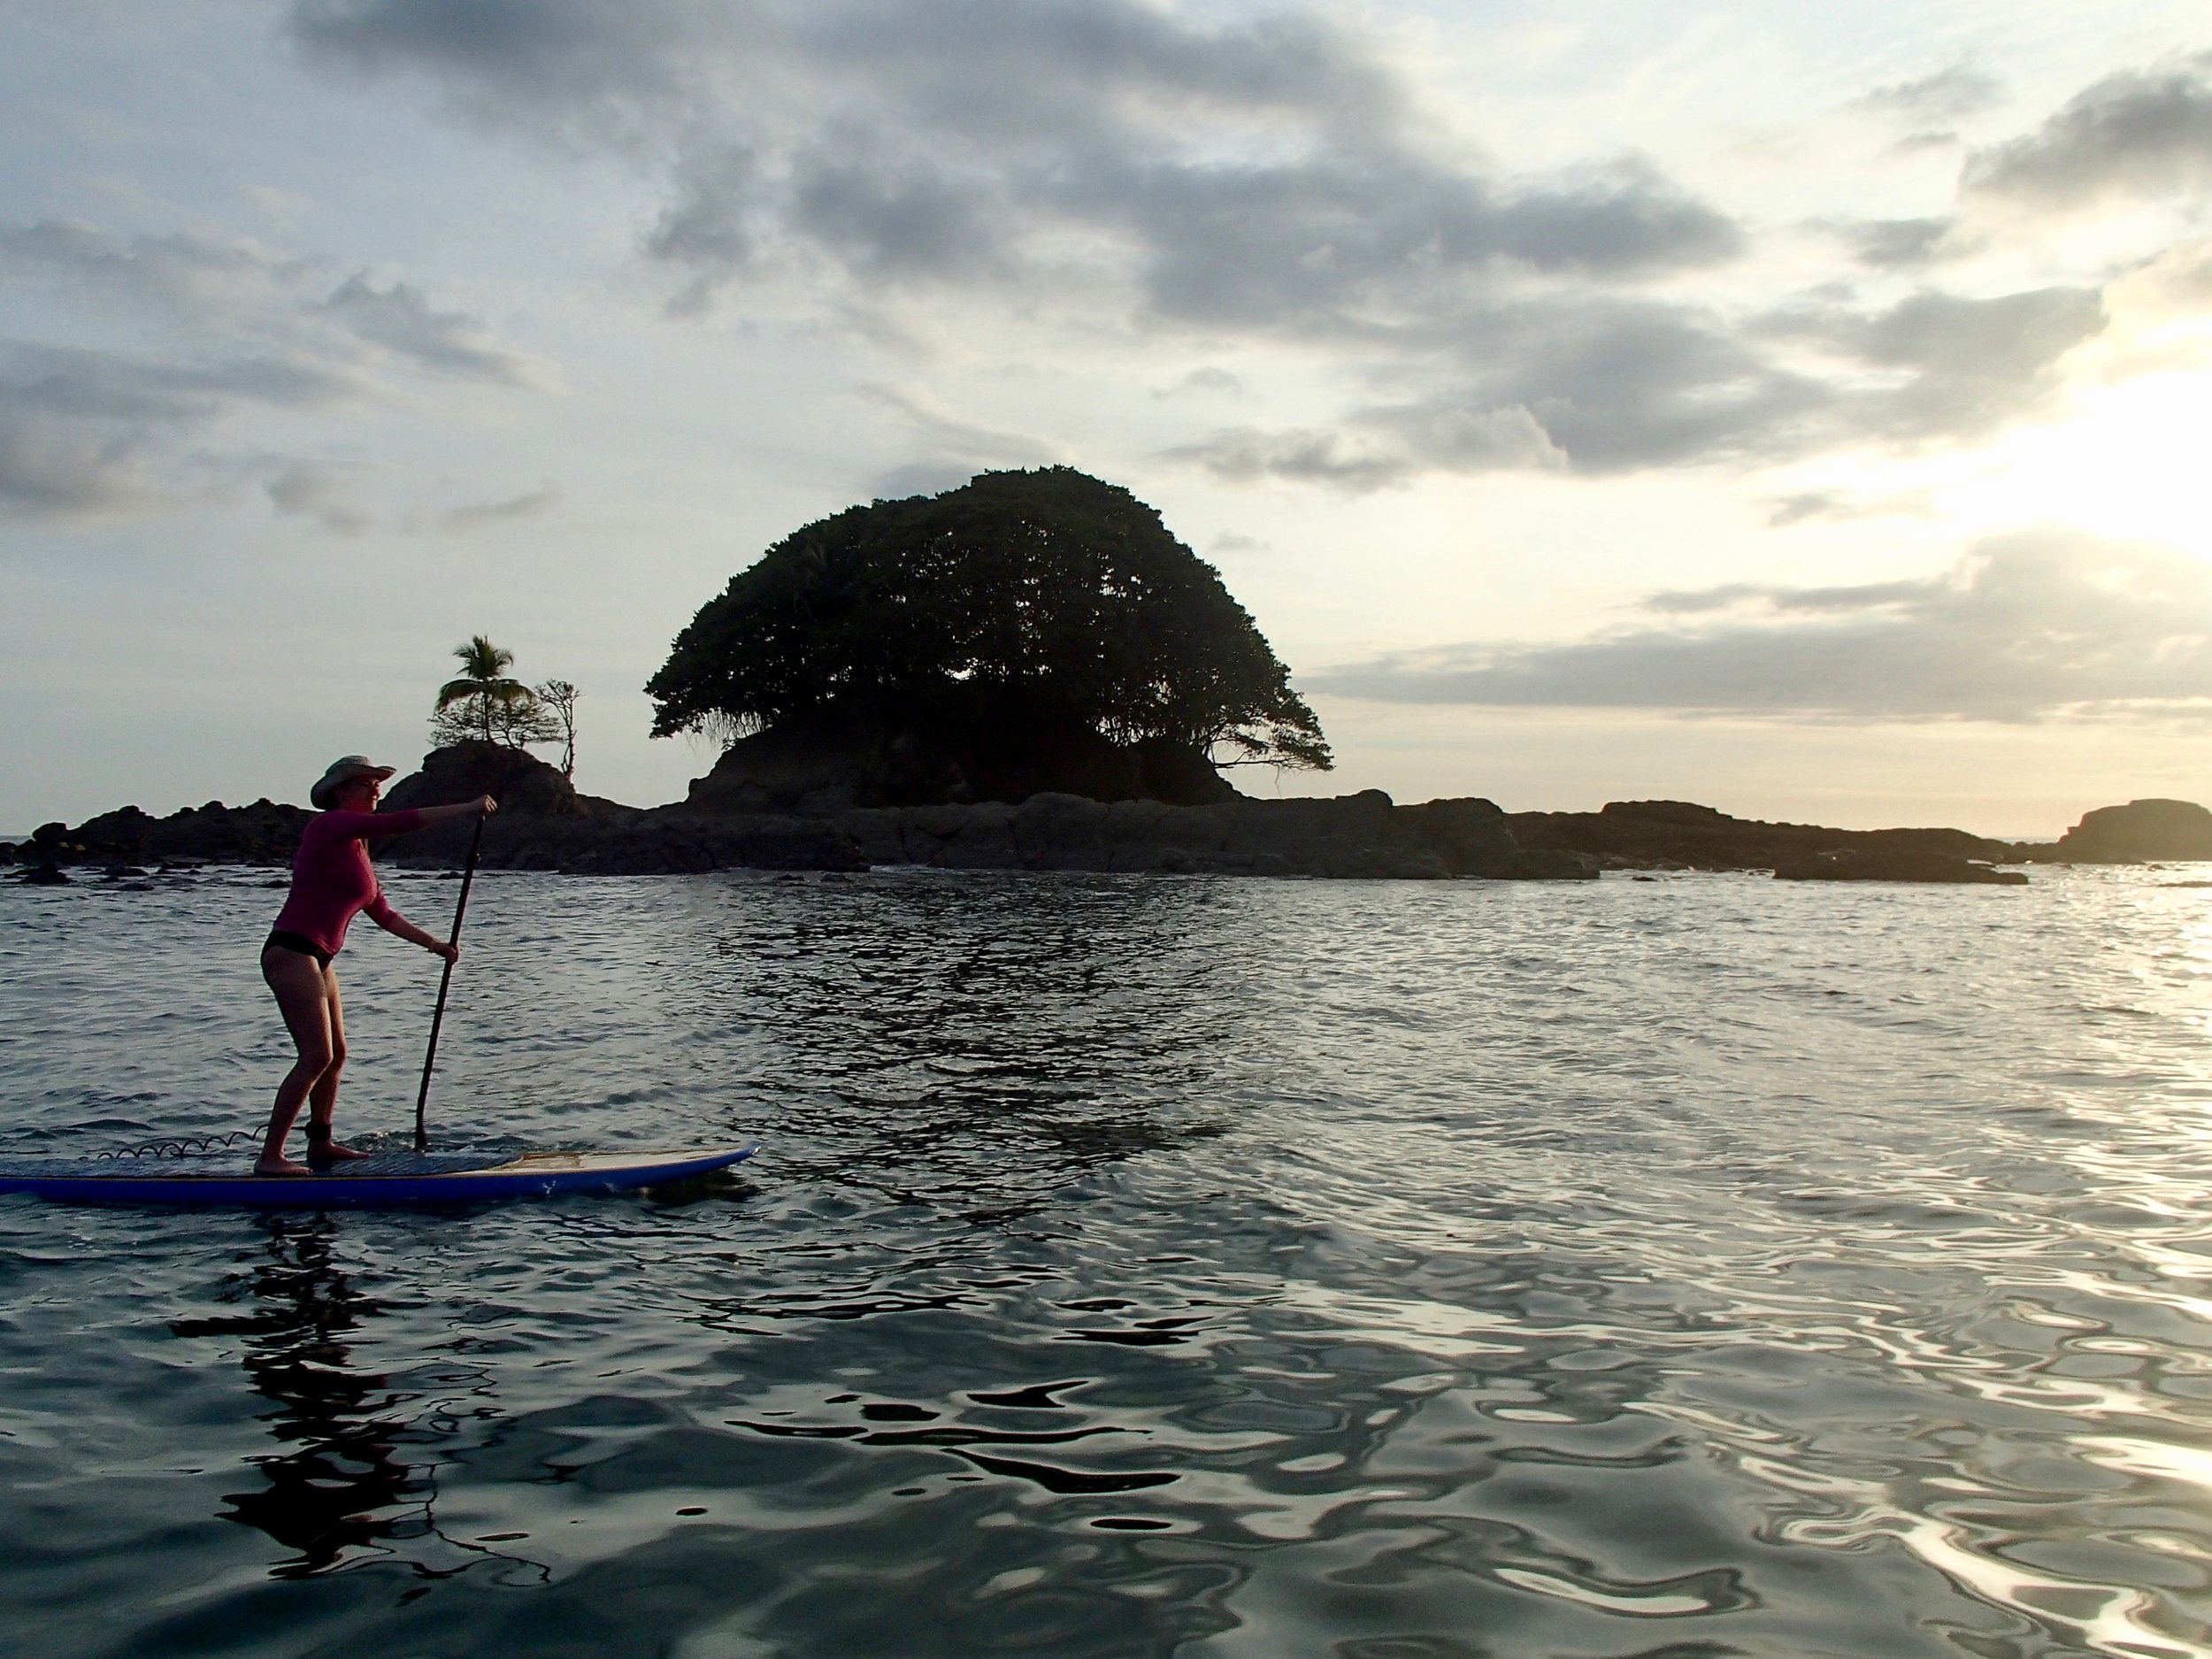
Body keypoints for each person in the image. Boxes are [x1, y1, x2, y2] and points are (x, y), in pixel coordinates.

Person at [257, 756, 495, 1177]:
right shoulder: (328, 826)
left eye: (375, 782)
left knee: (337, 1055)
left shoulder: (359, 851)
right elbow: (399, 823)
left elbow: (382, 912)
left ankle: (321, 1144)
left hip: (320, 958)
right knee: (315, 1056)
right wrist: (466, 809)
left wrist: (435, 945)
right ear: (339, 792)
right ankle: (271, 1157)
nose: (374, 789)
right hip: (291, 951)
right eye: (364, 783)